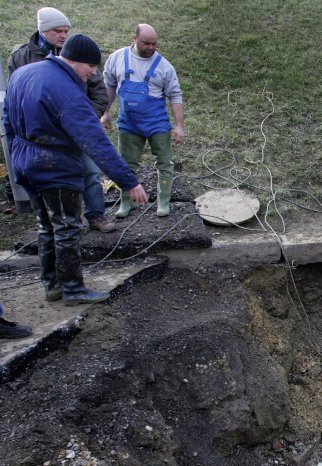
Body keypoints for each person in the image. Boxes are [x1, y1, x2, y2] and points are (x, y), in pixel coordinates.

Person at [3, 34, 148, 304]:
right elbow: (95, 142)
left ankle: (53, 285)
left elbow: (7, 121)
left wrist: (16, 153)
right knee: (67, 226)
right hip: (54, 167)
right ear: (76, 60)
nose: (93, 73)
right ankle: (73, 289)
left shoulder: (23, 74)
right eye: (91, 66)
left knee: (46, 225)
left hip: (25, 161)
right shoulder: (67, 92)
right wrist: (128, 181)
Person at [7, 7, 116, 232]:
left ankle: (96, 214)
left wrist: (86, 118)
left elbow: (99, 92)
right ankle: (53, 221)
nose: (64, 35)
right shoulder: (21, 56)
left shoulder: (79, 52)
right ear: (43, 30)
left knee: (91, 171)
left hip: (78, 127)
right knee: (52, 183)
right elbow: (15, 97)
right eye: (58, 31)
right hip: (44, 135)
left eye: (66, 30)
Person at [101, 23, 185, 218]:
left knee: (164, 163)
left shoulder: (164, 66)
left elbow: (175, 95)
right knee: (127, 163)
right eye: (146, 43)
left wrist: (179, 126)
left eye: (154, 44)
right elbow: (109, 86)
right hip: (128, 122)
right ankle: (126, 203)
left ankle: (163, 203)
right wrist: (105, 112)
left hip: (156, 122)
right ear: (134, 38)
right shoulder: (118, 58)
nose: (151, 47)